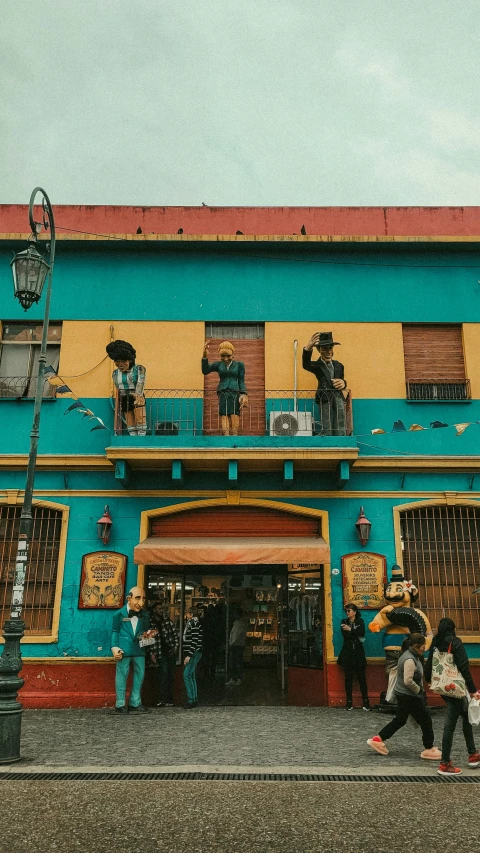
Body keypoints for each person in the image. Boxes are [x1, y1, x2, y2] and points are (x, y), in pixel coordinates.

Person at [367, 633, 441, 760]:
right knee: (426, 720)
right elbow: (408, 680)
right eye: (423, 646)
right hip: (409, 695)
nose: (425, 648)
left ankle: (378, 739)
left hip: (404, 694)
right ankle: (429, 748)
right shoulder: (409, 660)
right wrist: (418, 690)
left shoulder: (410, 655)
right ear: (416, 646)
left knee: (400, 720)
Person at [424, 617, 480, 775]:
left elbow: (429, 663)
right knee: (450, 725)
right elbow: (464, 666)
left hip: (443, 686)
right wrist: (473, 690)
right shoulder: (455, 642)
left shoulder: (435, 642)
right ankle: (445, 763)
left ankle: (473, 754)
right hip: (455, 688)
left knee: (466, 717)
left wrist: (429, 680)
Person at [111, 586, 153, 714]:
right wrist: (114, 647)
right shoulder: (119, 614)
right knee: (121, 675)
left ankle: (135, 702)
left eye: (143, 599)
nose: (140, 603)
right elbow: (114, 632)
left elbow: (144, 631)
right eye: (137, 598)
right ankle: (120, 703)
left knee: (139, 675)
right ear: (129, 598)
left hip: (139, 650)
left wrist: (148, 637)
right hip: (123, 650)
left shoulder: (145, 615)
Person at [302, 331, 346, 436]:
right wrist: (308, 348)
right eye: (324, 348)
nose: (328, 351)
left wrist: (344, 383)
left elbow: (342, 380)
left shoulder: (339, 365)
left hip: (338, 397)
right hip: (324, 397)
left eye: (330, 348)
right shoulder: (317, 366)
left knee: (340, 421)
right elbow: (306, 364)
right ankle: (327, 437)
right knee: (327, 424)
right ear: (319, 350)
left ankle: (341, 440)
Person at [202, 340, 248, 435]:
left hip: (235, 392)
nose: (226, 359)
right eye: (223, 356)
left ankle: (234, 435)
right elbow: (205, 371)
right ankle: (226, 436)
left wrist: (244, 394)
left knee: (234, 414)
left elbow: (241, 380)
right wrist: (205, 356)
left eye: (228, 356)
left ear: (233, 354)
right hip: (222, 392)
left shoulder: (239, 365)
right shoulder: (218, 365)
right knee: (224, 413)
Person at [106, 339, 147, 436]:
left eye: (123, 361)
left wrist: (138, 396)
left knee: (140, 417)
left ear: (130, 360)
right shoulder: (115, 373)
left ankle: (141, 437)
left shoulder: (139, 369)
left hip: (136, 396)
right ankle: (132, 436)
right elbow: (117, 387)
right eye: (117, 361)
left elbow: (141, 383)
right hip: (124, 398)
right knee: (129, 419)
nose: (120, 364)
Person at [338, 603, 370, 710]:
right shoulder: (344, 622)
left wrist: (351, 630)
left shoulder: (360, 622)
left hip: (358, 653)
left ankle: (366, 702)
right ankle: (349, 702)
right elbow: (345, 636)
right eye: (346, 611)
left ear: (354, 612)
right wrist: (354, 633)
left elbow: (362, 634)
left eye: (349, 611)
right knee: (348, 678)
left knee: (362, 678)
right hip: (348, 653)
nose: (347, 613)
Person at [149, 601, 179, 707]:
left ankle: (169, 700)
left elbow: (175, 635)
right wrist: (152, 653)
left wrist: (175, 647)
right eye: (159, 609)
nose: (161, 611)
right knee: (163, 675)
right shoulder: (151, 624)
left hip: (169, 652)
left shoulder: (168, 622)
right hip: (159, 653)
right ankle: (162, 699)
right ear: (154, 610)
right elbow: (149, 640)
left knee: (170, 676)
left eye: (162, 609)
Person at [183, 606, 203, 709]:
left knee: (187, 675)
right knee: (191, 675)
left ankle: (191, 699)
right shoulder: (195, 623)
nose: (186, 616)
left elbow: (194, 641)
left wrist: (189, 655)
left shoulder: (194, 624)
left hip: (194, 652)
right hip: (194, 652)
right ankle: (194, 698)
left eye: (187, 613)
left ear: (191, 614)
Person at [226, 608, 249, 686]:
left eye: (236, 614)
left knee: (238, 661)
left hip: (239, 644)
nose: (234, 615)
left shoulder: (243, 623)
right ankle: (233, 678)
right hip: (234, 645)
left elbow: (239, 634)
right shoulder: (235, 623)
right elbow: (232, 633)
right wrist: (230, 642)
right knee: (233, 662)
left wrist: (232, 642)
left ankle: (239, 678)